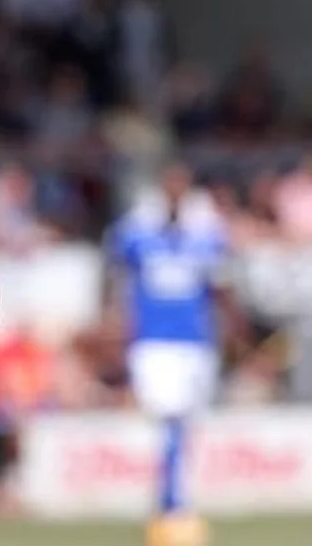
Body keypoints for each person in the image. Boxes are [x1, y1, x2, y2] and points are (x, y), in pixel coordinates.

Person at [106, 160, 246, 546]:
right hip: (153, 342)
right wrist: (117, 331)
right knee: (168, 421)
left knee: (185, 425)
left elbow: (223, 286)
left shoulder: (207, 233)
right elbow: (117, 282)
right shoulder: (136, 231)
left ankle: (175, 505)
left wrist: (234, 329)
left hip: (197, 341)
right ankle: (172, 510)